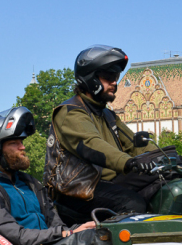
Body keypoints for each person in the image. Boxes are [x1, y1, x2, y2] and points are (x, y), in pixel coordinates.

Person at [0, 107, 95, 245]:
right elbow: (16, 237)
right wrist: (65, 234)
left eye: (21, 141)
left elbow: (55, 223)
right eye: (14, 143)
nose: (22, 147)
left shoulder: (30, 183)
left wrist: (74, 232)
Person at [49, 45, 158, 217]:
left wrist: (172, 158)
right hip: (78, 190)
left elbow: (136, 145)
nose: (114, 83)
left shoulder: (107, 115)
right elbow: (91, 144)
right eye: (108, 77)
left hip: (108, 183)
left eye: (115, 77)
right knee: (131, 202)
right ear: (91, 79)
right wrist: (128, 162)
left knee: (166, 183)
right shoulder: (70, 112)